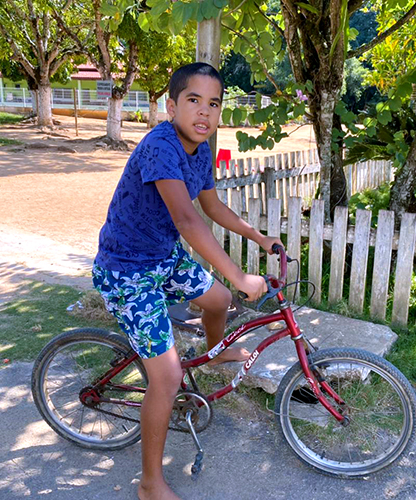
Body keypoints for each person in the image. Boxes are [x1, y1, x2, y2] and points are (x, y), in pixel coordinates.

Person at [92, 62, 283, 500]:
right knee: (168, 377)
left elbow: (212, 207)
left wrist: (258, 235)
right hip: (127, 270)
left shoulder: (201, 149)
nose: (204, 112)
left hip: (162, 256)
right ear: (171, 105)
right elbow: (186, 217)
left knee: (216, 301)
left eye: (213, 104)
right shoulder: (161, 146)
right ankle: (150, 484)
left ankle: (214, 355)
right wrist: (237, 275)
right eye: (193, 100)